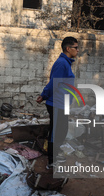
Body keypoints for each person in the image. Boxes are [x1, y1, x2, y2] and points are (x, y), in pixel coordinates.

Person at [36, 37, 79, 170]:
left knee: (62, 131)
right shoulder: (62, 63)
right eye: (76, 48)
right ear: (68, 49)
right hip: (57, 103)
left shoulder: (66, 63)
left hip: (62, 103)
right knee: (56, 132)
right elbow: (54, 83)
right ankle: (51, 162)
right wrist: (44, 95)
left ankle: (55, 154)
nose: (78, 50)